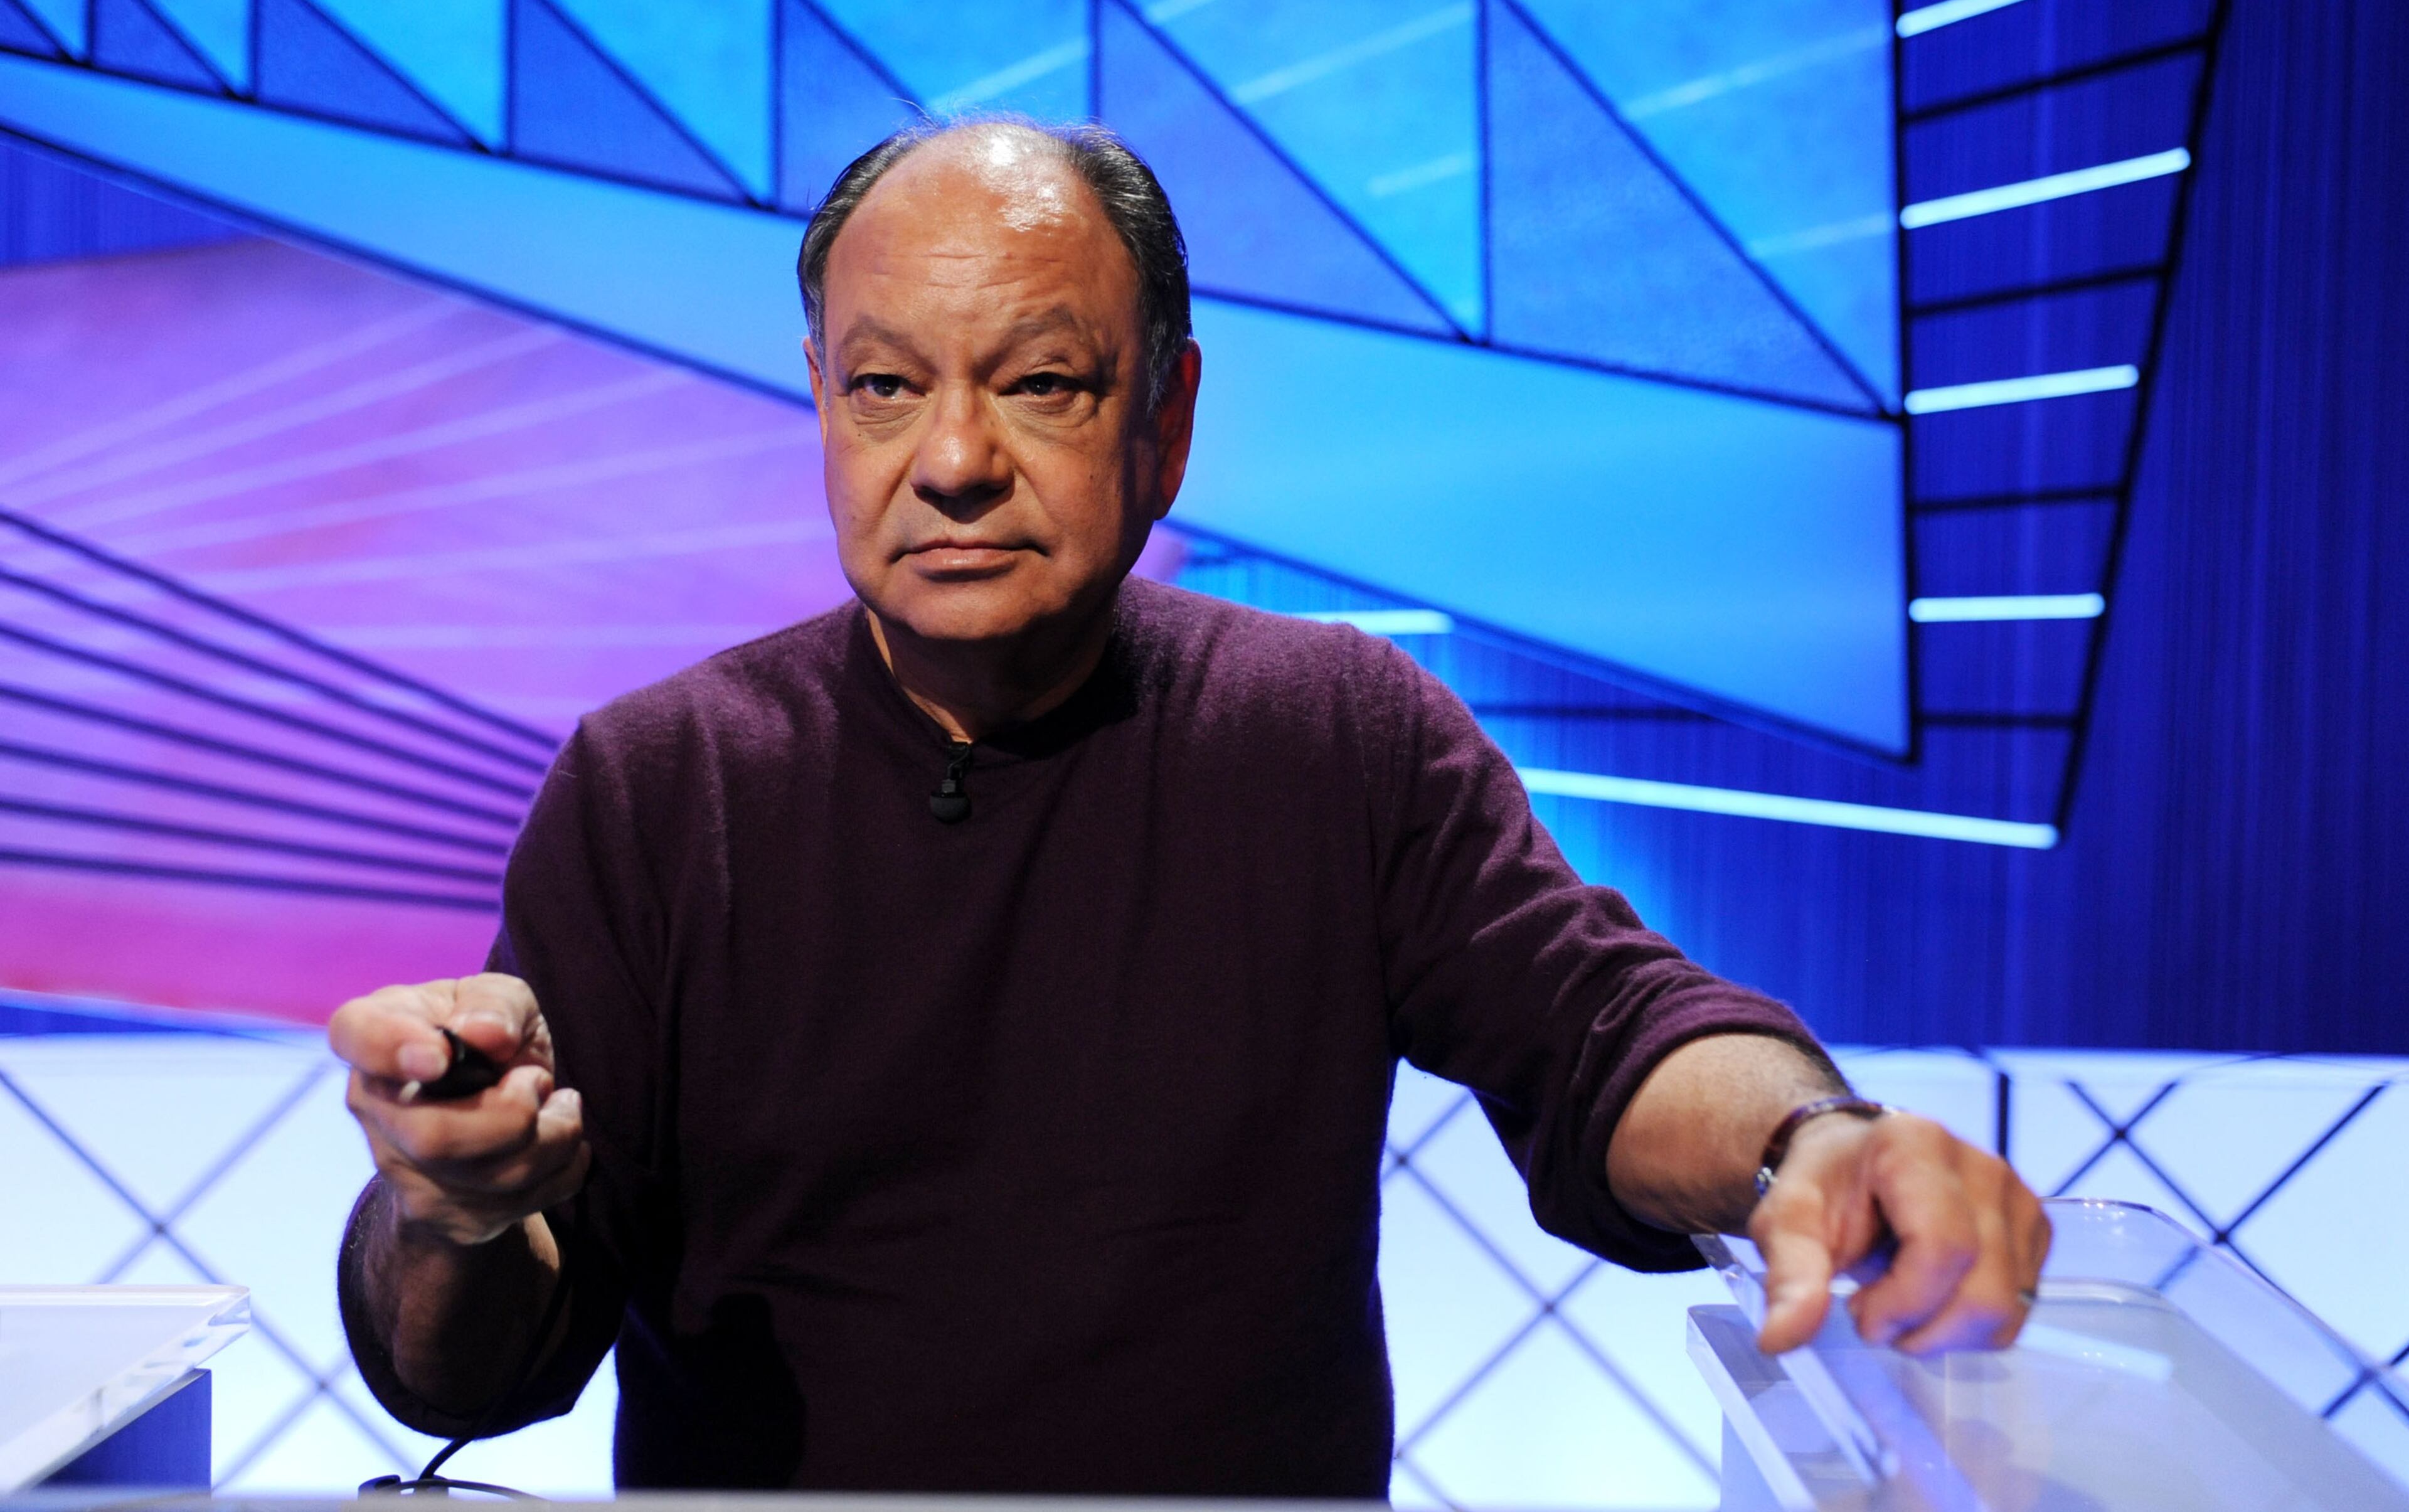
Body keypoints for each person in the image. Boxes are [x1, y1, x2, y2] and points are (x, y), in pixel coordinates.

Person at [330, 118, 2048, 1496]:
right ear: (822, 406)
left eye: (1042, 382)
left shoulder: (1333, 732)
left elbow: (1607, 1030)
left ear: (1166, 419)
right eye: (885, 385)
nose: (951, 457)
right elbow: (464, 1364)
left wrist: (1804, 1146)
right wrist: (453, 1209)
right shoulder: (658, 782)